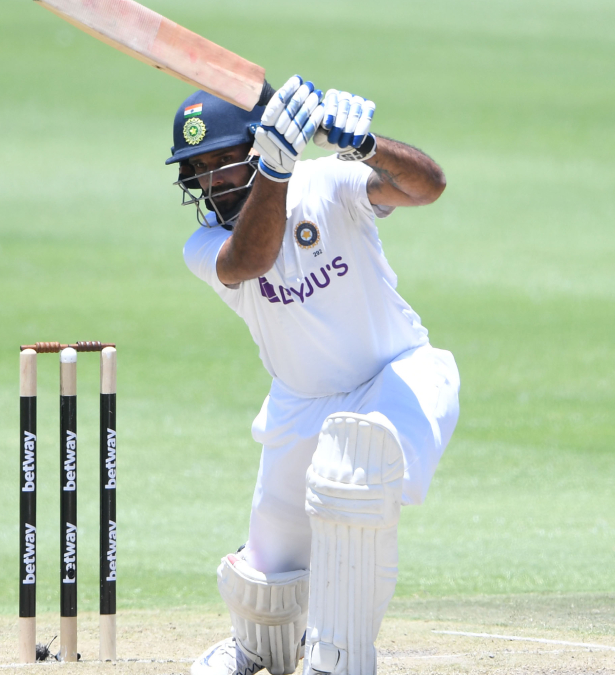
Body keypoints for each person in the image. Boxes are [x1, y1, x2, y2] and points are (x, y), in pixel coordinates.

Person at [167, 75, 461, 675]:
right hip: (299, 403)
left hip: (397, 378)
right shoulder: (205, 245)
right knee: (268, 573)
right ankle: (257, 651)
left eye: (226, 159)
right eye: (202, 167)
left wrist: (364, 144)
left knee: (353, 477)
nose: (215, 179)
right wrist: (271, 173)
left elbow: (429, 186)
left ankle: (340, 659)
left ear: (257, 145)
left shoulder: (327, 181)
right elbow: (251, 261)